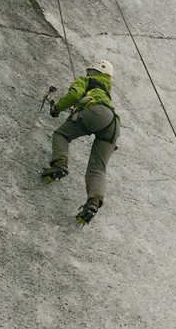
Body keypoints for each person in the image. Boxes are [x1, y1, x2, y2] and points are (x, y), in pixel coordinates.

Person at [41, 58, 120, 224]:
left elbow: (75, 94)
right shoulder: (105, 90)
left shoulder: (88, 80)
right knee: (98, 168)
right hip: (113, 124)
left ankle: (59, 165)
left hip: (97, 112)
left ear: (93, 71)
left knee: (61, 135)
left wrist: (57, 108)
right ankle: (94, 202)